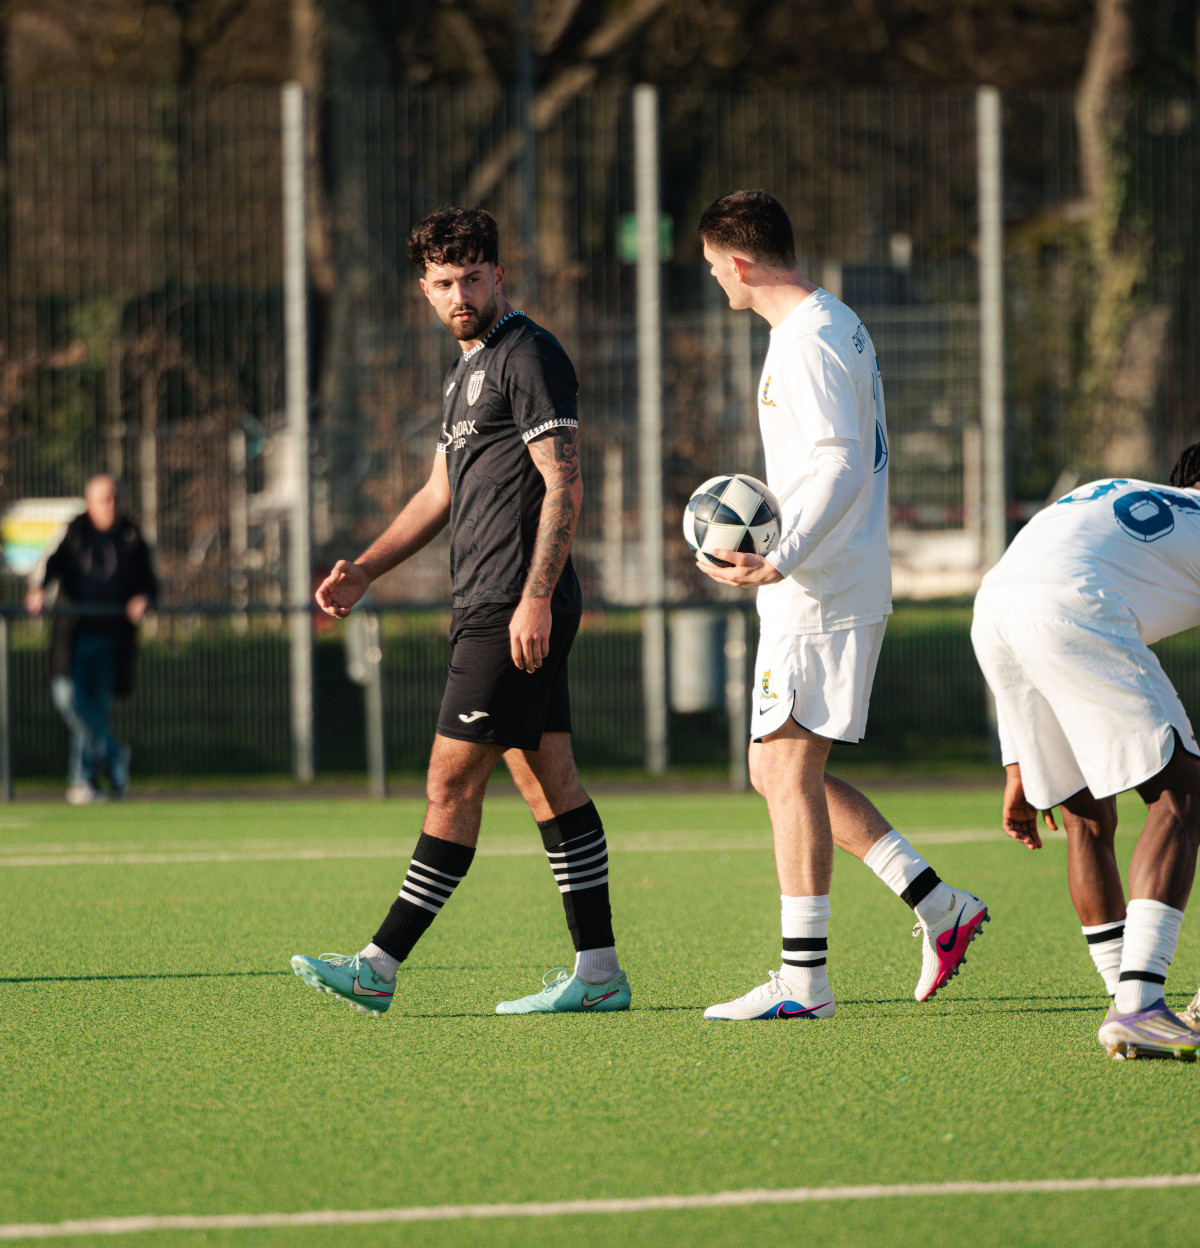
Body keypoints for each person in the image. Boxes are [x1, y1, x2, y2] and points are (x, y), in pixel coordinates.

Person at [291, 205, 630, 1018]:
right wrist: (367, 567)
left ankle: (378, 966)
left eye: (472, 278)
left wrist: (536, 597)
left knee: (450, 782)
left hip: (513, 608)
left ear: (497, 274)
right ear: (423, 289)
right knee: (549, 782)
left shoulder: (529, 354)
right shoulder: (464, 371)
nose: (459, 294)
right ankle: (599, 974)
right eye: (443, 283)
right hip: (487, 602)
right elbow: (440, 491)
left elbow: (565, 483)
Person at [694, 190, 989, 1022]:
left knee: (785, 770)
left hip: (820, 587)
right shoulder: (828, 322)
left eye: (717, 269)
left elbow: (839, 463)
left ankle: (805, 982)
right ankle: (939, 907)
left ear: (743, 263)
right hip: (826, 583)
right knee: (779, 770)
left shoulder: (809, 339)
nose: (718, 282)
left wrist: (779, 558)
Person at [971, 448, 1200, 1060]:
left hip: (993, 608)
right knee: (1182, 793)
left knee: (1087, 819)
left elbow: (1029, 585)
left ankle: (1126, 1003)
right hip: (1074, 607)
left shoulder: (1112, 491)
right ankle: (1140, 1006)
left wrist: (1018, 762)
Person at [24, 475, 156, 804]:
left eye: (114, 498)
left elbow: (148, 582)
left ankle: (84, 781)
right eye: (103, 499)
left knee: (97, 708)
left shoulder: (131, 535)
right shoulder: (74, 532)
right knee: (68, 698)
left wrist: (143, 598)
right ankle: (113, 752)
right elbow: (48, 565)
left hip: (113, 637)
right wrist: (38, 590)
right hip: (74, 635)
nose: (110, 505)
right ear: (89, 502)